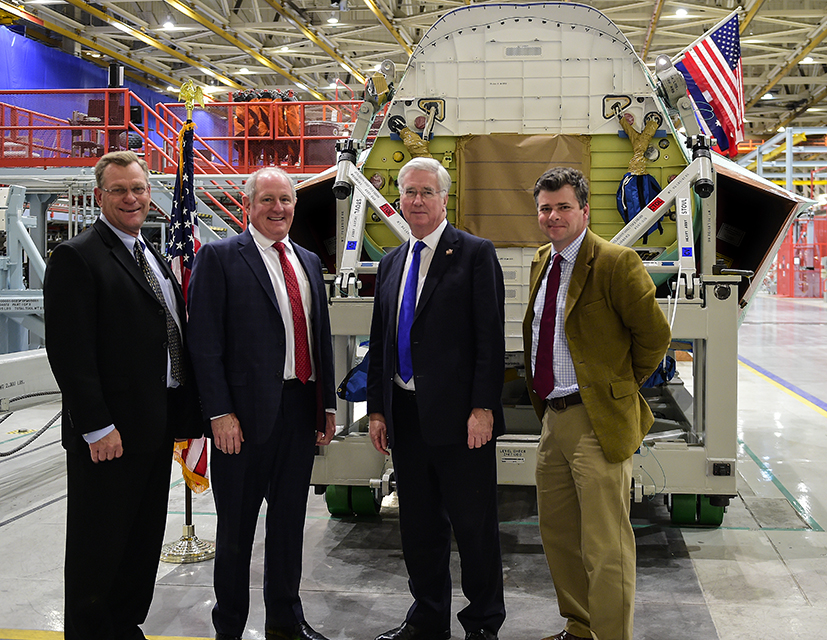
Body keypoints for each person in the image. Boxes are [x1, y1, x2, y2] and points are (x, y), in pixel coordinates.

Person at [44, 150, 204, 640]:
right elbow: (71, 352)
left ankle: (123, 626)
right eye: (119, 191)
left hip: (154, 428)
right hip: (111, 434)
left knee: (139, 541)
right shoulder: (79, 256)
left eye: (138, 188)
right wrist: (96, 425)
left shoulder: (149, 253)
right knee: (100, 546)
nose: (132, 198)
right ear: (99, 197)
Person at [186, 167, 337, 640]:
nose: (278, 209)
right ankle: (228, 627)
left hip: (297, 412)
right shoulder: (220, 257)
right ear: (248, 205)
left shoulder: (308, 261)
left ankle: (286, 622)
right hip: (242, 420)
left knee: (290, 527)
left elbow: (321, 338)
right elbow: (204, 343)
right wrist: (218, 412)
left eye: (286, 200)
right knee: (236, 532)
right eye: (268, 200)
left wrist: (326, 406)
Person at [522, 167, 671, 640]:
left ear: (584, 210)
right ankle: (580, 627)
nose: (553, 216)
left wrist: (616, 388)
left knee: (606, 545)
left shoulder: (615, 261)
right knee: (559, 535)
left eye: (563, 206)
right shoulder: (541, 261)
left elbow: (653, 337)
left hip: (595, 421)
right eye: (545, 208)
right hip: (553, 418)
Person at [366, 156, 506, 640]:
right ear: (399, 199)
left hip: (461, 419)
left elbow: (490, 337)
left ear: (445, 199)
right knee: (419, 529)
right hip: (405, 417)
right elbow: (381, 340)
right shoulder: (390, 263)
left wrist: (483, 407)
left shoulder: (473, 253)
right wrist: (378, 409)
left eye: (427, 192)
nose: (417, 200)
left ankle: (483, 623)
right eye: (409, 192)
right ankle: (427, 618)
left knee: (474, 529)